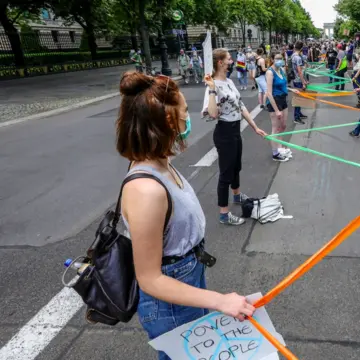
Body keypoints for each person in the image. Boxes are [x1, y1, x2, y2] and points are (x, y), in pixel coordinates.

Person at [116, 72, 256, 360]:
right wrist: (221, 301)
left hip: (187, 282)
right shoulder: (146, 190)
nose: (187, 118)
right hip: (170, 302)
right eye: (183, 111)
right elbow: (150, 279)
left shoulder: (161, 163)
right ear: (169, 121)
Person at [202, 49, 268, 225]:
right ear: (220, 63)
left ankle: (237, 196)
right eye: (229, 59)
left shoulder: (229, 81)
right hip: (224, 132)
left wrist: (255, 127)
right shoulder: (213, 85)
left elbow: (241, 105)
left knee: (236, 166)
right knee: (225, 173)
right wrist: (212, 91)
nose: (232, 62)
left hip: (235, 130)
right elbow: (213, 114)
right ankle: (224, 214)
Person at [265, 51, 294, 162]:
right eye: (277, 58)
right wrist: (276, 110)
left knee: (283, 126)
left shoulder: (281, 70)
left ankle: (280, 147)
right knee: (276, 129)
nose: (279, 60)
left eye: (281, 58)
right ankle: (275, 153)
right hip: (274, 101)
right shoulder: (270, 73)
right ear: (272, 59)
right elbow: (268, 93)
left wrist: (291, 89)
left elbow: (284, 85)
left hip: (283, 99)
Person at [291, 41, 308, 125]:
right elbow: (299, 71)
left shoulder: (294, 55)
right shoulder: (297, 57)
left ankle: (299, 114)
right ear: (301, 48)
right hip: (298, 80)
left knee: (299, 98)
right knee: (298, 99)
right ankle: (296, 117)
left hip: (295, 79)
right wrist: (303, 82)